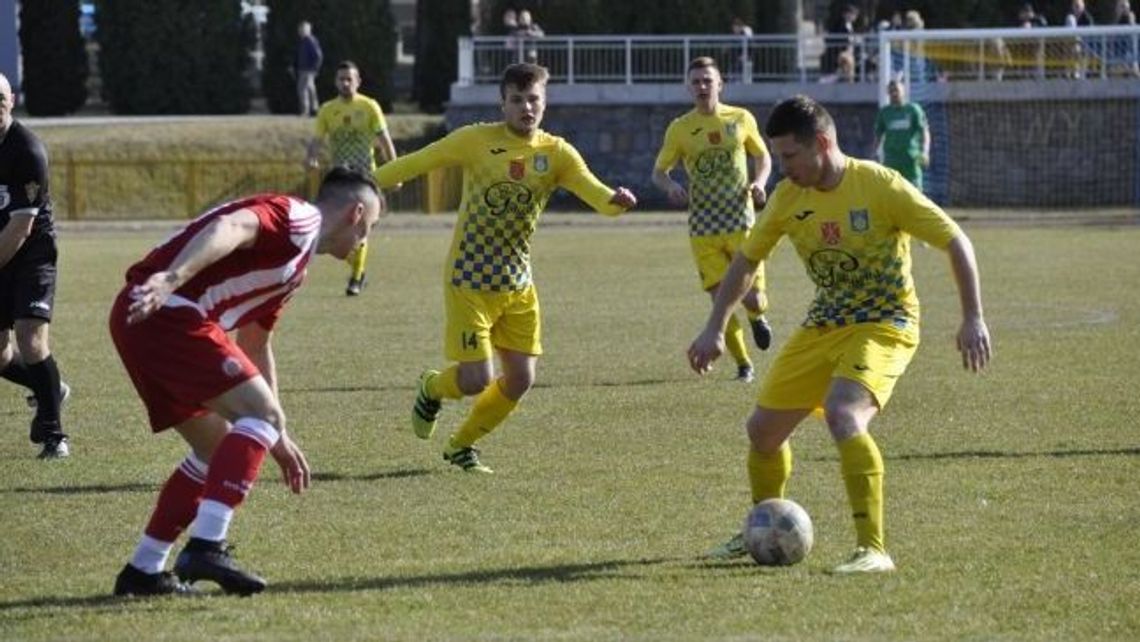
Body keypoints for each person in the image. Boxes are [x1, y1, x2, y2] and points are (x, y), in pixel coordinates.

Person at [688, 95, 992, 573]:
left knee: (844, 413)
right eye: (778, 157)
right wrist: (714, 327)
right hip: (825, 321)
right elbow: (746, 261)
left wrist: (972, 316)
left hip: (886, 321)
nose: (783, 168)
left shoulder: (880, 185)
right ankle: (763, 526)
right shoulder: (789, 197)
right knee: (762, 432)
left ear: (822, 143)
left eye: (790, 156)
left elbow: (955, 239)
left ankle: (873, 549)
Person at [109, 166, 384, 596]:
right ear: (356, 213)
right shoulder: (297, 219)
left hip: (145, 318)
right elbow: (230, 226)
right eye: (371, 228)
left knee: (215, 449)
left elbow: (255, 346)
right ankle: (207, 546)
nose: (366, 240)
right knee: (259, 418)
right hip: (168, 311)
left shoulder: (296, 267)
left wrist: (278, 435)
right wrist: (172, 278)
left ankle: (143, 570)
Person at [373, 63, 637, 474]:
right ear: (503, 104)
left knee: (520, 378)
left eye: (533, 99)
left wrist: (617, 202)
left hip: (517, 283)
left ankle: (462, 445)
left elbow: (597, 196)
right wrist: (366, 183)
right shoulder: (476, 140)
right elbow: (422, 160)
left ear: (544, 103)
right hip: (469, 279)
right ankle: (432, 387)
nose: (526, 108)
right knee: (476, 378)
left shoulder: (557, 154)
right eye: (517, 100)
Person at [652, 57, 773, 384]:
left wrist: (760, 183)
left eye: (708, 80)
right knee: (721, 301)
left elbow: (762, 155)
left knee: (753, 299)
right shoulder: (680, 128)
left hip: (741, 221)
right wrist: (671, 186)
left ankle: (758, 317)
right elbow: (659, 172)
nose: (702, 86)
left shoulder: (740, 118)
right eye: (696, 81)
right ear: (688, 87)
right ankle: (744, 365)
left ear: (720, 84)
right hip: (703, 227)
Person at [0, 72, 70, 460]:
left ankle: (54, 436)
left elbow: (20, 228)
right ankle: (49, 389)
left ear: (12, 100)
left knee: (30, 339)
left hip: (32, 253)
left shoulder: (27, 150)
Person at [305, 60, 398, 296]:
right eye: (341, 79)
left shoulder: (369, 106)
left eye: (349, 79)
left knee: (362, 228)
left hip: (366, 177)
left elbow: (385, 141)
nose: (345, 83)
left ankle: (356, 278)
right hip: (340, 179)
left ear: (358, 81)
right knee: (336, 236)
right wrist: (311, 158)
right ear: (336, 82)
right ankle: (359, 269)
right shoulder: (327, 110)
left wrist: (396, 170)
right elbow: (317, 140)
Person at [873, 80, 930, 192]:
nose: (894, 93)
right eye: (891, 91)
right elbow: (878, 135)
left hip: (911, 160)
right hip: (891, 160)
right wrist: (875, 153)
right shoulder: (884, 112)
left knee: (915, 194)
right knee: (891, 193)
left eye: (896, 90)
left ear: (903, 91)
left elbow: (924, 132)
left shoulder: (913, 110)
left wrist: (925, 151)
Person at [295, 20, 323, 117]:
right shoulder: (303, 41)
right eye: (300, 29)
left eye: (303, 29)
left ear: (308, 30)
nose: (300, 31)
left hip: (308, 70)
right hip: (304, 69)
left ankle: (305, 111)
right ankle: (315, 109)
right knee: (310, 89)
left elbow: (318, 56)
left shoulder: (310, 41)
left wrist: (315, 69)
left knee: (302, 89)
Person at [1065, 0, 1095, 79]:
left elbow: (1090, 35)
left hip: (1085, 43)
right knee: (1072, 49)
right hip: (1072, 43)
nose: (1076, 8)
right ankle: (1070, 72)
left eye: (1078, 6)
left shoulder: (1087, 18)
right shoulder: (1071, 17)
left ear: (1083, 6)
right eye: (1075, 6)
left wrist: (1080, 41)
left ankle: (1080, 73)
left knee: (1077, 49)